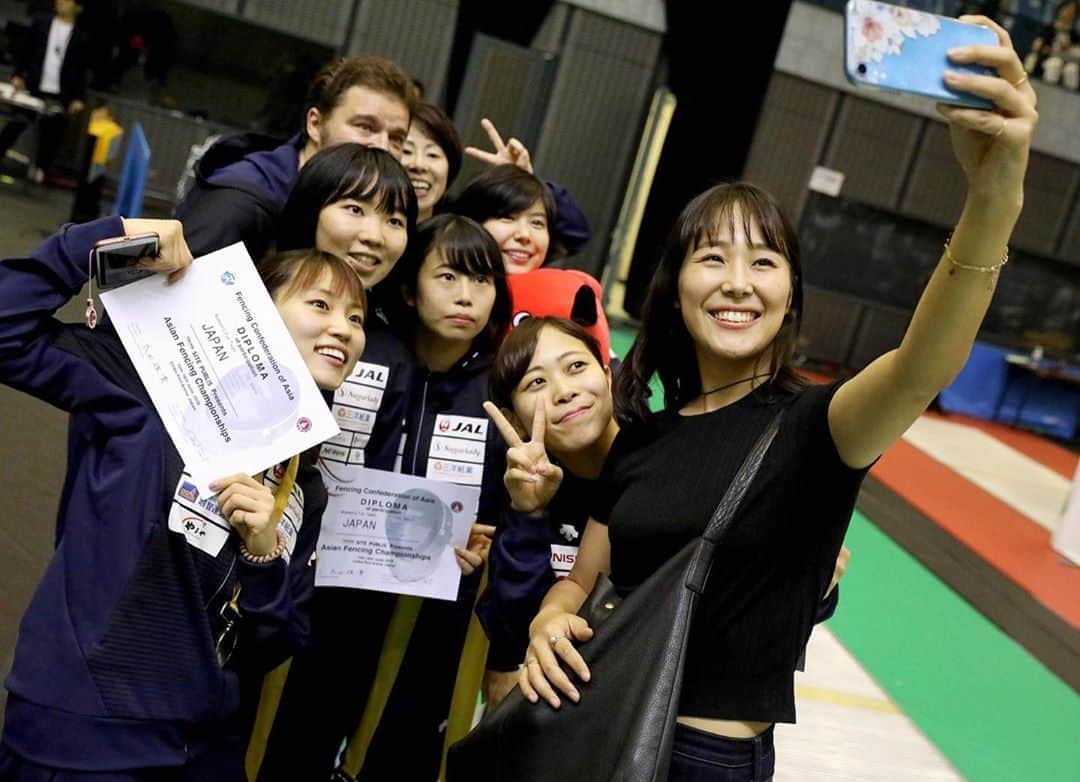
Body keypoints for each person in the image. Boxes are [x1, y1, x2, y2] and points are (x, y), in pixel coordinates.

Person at [515, 21, 1036, 781]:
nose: (736, 282)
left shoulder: (818, 429)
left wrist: (996, 194)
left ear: (789, 296)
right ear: (676, 289)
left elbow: (925, 364)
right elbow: (580, 581)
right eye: (712, 258)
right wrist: (549, 620)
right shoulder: (642, 439)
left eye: (763, 260)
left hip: (705, 757)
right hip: (595, 729)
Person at [0, 216, 368, 779]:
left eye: (356, 318)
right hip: (84, 733)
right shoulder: (151, 387)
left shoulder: (303, 481)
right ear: (256, 308)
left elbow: (273, 643)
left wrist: (263, 554)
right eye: (320, 305)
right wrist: (111, 236)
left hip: (202, 749)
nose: (343, 328)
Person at [477, 317, 849, 707]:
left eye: (576, 367)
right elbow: (512, 631)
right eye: (536, 382)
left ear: (606, 375)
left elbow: (753, 603)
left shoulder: (673, 456)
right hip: (565, 708)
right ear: (514, 416)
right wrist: (528, 514)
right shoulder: (521, 486)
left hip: (670, 709)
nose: (564, 391)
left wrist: (816, 582)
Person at [259, 214, 511, 782]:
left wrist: (484, 544)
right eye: (448, 276)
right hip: (329, 588)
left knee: (398, 747)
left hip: (435, 607)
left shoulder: (503, 383)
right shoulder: (364, 350)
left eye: (482, 280)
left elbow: (505, 507)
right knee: (295, 732)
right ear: (410, 285)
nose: (466, 296)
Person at [174, 55, 414, 260]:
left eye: (397, 138)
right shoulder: (244, 205)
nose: (382, 146)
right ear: (315, 124)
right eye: (365, 127)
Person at [455, 163, 612, 359]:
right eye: (507, 218)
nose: (524, 235)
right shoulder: (448, 293)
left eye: (537, 222)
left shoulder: (558, 298)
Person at [0, 0, 90, 182]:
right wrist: (18, 75)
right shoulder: (41, 24)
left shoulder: (81, 38)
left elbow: (82, 71)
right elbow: (24, 51)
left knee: (53, 130)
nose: (60, 3)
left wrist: (78, 97)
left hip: (59, 94)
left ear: (77, 8)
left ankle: (41, 168)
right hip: (33, 87)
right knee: (17, 122)